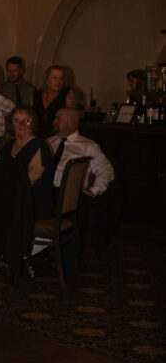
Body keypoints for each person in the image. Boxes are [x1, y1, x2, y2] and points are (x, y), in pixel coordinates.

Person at [48, 107, 119, 256]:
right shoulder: (48, 142)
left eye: (57, 118)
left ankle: (68, 257)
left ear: (70, 122)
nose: (54, 122)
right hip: (46, 192)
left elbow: (107, 171)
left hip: (71, 197)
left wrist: (93, 191)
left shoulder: (88, 146)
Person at [0, 104, 54, 220]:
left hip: (32, 202)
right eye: (17, 120)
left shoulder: (39, 145)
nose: (22, 124)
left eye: (27, 120)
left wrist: (4, 190)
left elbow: (32, 177)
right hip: (12, 198)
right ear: (11, 124)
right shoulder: (7, 146)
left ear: (33, 123)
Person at [32, 65, 76, 139]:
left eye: (61, 78)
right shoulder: (36, 94)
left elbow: (72, 120)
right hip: (37, 137)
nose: (58, 81)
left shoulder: (67, 94)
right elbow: (31, 117)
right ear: (47, 80)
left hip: (58, 138)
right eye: (55, 78)